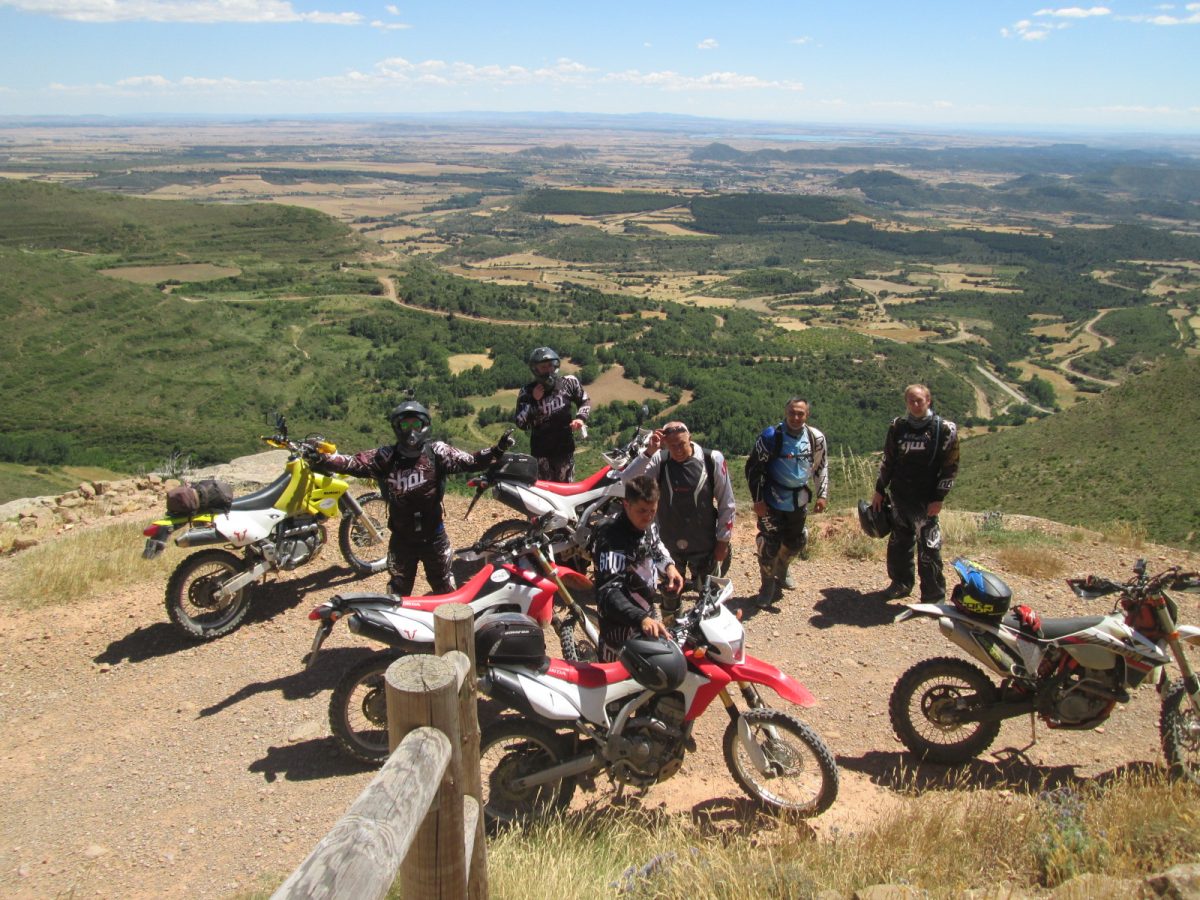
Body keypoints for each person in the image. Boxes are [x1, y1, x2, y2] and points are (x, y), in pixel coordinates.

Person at [316, 400, 512, 596]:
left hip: (434, 537)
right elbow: (352, 463)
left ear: (424, 426)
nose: (411, 431)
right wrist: (322, 459)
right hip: (401, 539)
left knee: (445, 590)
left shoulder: (437, 452)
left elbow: (472, 461)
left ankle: (449, 627)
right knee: (397, 593)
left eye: (416, 425)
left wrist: (497, 450)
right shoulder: (386, 457)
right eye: (405, 425)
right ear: (397, 427)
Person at [620, 420, 735, 614]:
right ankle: (671, 635)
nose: (678, 449)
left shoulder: (711, 459)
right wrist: (649, 452)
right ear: (665, 444)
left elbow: (727, 502)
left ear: (690, 437)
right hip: (668, 546)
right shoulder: (660, 460)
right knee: (669, 597)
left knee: (710, 597)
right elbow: (627, 480)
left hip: (704, 543)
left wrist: (723, 541)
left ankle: (705, 639)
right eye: (672, 445)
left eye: (681, 443)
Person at [871, 383, 961, 602]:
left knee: (929, 548)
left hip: (926, 499)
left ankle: (933, 596)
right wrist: (879, 489)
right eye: (911, 400)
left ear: (928, 400)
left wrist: (939, 498)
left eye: (919, 400)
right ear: (906, 403)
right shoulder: (898, 427)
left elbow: (951, 466)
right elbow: (888, 459)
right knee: (899, 544)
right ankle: (900, 584)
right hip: (900, 496)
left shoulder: (944, 429)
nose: (915, 404)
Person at [590, 475, 684, 662]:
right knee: (616, 687)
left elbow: (655, 547)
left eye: (653, 511)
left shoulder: (648, 525)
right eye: (642, 511)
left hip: (646, 616)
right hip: (618, 629)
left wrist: (669, 566)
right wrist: (640, 618)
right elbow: (608, 593)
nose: (648, 517)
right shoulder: (611, 538)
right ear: (626, 504)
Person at [745, 397, 828, 606]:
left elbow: (820, 466)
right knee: (768, 543)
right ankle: (767, 585)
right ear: (786, 412)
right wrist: (758, 500)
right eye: (792, 413)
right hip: (772, 498)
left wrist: (822, 494)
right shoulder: (771, 437)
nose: (796, 417)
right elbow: (753, 468)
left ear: (807, 415)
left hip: (798, 499)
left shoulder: (815, 438)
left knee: (796, 541)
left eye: (800, 413)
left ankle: (781, 569)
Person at [514, 346, 591, 482]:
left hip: (565, 451)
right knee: (544, 495)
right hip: (541, 453)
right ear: (535, 369)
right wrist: (533, 401)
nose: (548, 369)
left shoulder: (569, 382)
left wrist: (580, 418)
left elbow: (584, 400)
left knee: (566, 492)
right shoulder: (526, 392)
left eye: (550, 365)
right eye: (543, 367)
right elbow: (521, 423)